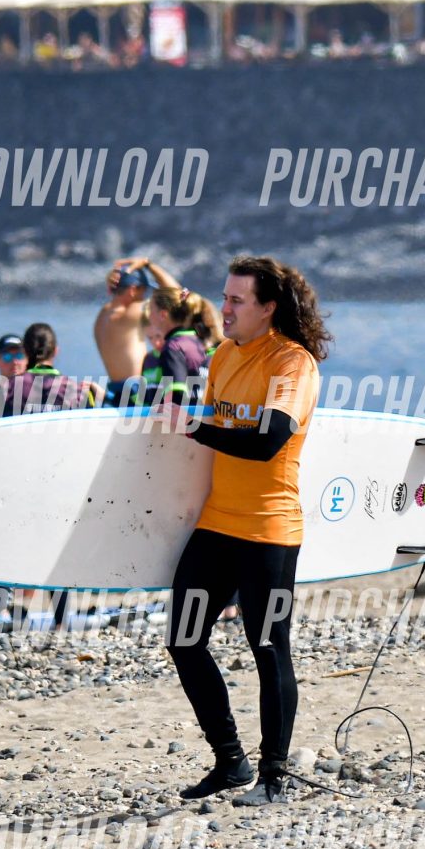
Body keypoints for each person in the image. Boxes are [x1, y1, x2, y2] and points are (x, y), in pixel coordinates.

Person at [161, 256, 328, 802]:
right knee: (184, 639)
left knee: (269, 648)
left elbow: (267, 442)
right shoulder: (223, 355)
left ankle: (274, 774)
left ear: (267, 307)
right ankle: (231, 761)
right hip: (217, 525)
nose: (224, 308)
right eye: (225, 297)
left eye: (236, 300)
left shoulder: (292, 363)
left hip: (269, 532)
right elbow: (216, 431)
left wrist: (193, 426)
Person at [123, 285, 218, 406]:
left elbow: (177, 395)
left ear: (163, 315)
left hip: (188, 416)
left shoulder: (173, 347)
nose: (149, 315)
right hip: (206, 413)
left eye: (151, 310)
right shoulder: (199, 340)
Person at [0, 322, 95, 418]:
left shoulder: (5, 393)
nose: (14, 362)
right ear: (56, 351)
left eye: (19, 356)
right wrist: (99, 397)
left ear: (26, 353)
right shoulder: (77, 391)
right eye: (7, 357)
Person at [95, 260, 160, 402]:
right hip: (136, 390)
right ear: (132, 290)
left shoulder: (102, 315)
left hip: (115, 391)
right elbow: (177, 295)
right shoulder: (135, 311)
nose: (144, 297)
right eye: (143, 291)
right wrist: (148, 264)